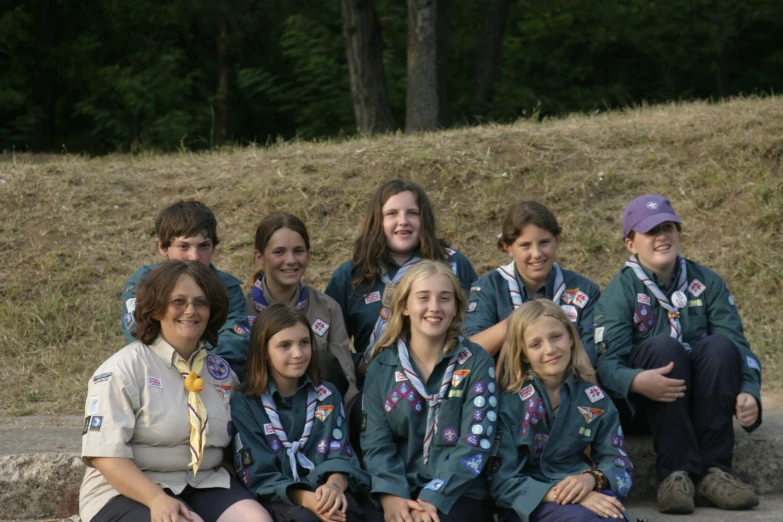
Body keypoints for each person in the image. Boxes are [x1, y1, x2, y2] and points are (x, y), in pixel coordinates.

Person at [595, 194, 761, 514]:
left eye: (668, 227)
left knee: (720, 346)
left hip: (704, 400)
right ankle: (675, 474)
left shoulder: (706, 282)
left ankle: (716, 472)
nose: (662, 237)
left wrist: (749, 390)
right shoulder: (620, 292)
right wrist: (636, 381)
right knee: (663, 346)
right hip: (647, 406)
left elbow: (739, 346)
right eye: (650, 231)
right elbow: (606, 364)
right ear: (630, 244)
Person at [80, 261, 271, 522]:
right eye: (178, 301)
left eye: (201, 302)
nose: (191, 311)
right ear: (157, 307)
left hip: (204, 481)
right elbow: (104, 456)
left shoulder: (222, 374)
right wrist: (156, 498)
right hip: (128, 489)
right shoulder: (123, 369)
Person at [361, 260, 496, 522]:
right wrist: (391, 495)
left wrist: (433, 496)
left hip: (458, 491)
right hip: (398, 486)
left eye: (444, 299)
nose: (434, 307)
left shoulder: (476, 361)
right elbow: (376, 444)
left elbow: (475, 442)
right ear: (404, 306)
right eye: (424, 298)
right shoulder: (382, 365)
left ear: (456, 307)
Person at [491, 300, 633, 522]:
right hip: (532, 503)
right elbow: (501, 481)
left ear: (570, 337)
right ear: (524, 354)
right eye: (536, 344)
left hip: (583, 489)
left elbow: (619, 464)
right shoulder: (509, 405)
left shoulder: (595, 399)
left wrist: (591, 480)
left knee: (614, 517)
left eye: (556, 336)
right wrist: (564, 496)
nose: (550, 349)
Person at [325, 179, 477, 377]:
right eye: (391, 214)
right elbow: (329, 346)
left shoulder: (453, 264)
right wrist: (363, 366)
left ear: (425, 219)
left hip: (445, 383)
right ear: (377, 221)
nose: (403, 221)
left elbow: (476, 328)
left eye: (412, 213)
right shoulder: (350, 275)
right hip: (374, 388)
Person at [230, 303, 368, 522]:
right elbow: (258, 473)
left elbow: (340, 452)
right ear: (263, 351)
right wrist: (306, 498)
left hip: (325, 491)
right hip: (279, 498)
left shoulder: (327, 394)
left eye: (304, 343)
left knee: (347, 512)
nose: (298, 354)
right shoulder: (246, 402)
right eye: (285, 345)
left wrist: (334, 485)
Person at [464, 201, 600, 365]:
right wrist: (517, 323)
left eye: (544, 243)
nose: (536, 254)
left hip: (568, 385)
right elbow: (470, 353)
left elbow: (591, 355)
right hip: (505, 387)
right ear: (508, 248)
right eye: (525, 245)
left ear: (557, 240)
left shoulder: (584, 290)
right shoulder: (488, 288)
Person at [246, 212, 358, 408]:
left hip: (320, 416)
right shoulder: (240, 310)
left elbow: (345, 378)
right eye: (279, 252)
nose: (290, 260)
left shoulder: (327, 308)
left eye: (298, 251)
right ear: (259, 257)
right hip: (260, 415)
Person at [121, 200, 250, 366]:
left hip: (210, 372)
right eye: (184, 246)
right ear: (163, 247)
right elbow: (138, 334)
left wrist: (197, 363)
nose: (194, 256)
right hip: (157, 371)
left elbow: (235, 341)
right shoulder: (143, 282)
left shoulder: (228, 288)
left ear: (214, 247)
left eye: (203, 246)